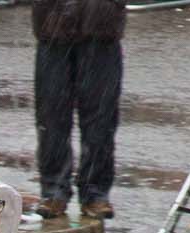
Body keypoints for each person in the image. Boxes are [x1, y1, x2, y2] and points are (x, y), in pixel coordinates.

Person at [31, 0, 125, 221]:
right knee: (51, 116)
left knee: (101, 118)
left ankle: (95, 193)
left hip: (102, 25)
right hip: (52, 24)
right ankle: (53, 190)